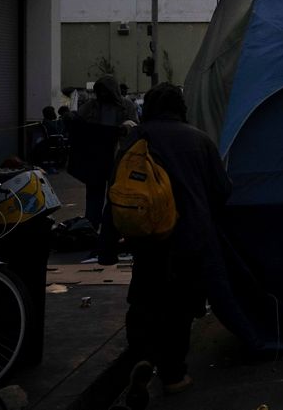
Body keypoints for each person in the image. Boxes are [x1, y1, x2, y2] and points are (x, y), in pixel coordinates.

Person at [100, 83, 231, 401]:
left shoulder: (136, 139)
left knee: (145, 300)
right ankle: (173, 375)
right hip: (190, 240)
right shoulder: (199, 140)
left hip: (148, 240)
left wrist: (106, 245)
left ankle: (143, 356)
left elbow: (117, 191)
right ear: (181, 108)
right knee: (180, 309)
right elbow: (222, 191)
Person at [70, 76, 138, 232]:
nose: (102, 95)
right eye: (99, 91)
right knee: (94, 195)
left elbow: (134, 126)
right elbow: (78, 118)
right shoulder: (92, 106)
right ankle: (91, 228)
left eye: (105, 91)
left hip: (118, 156)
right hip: (96, 157)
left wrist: (124, 130)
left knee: (115, 195)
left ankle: (112, 228)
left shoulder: (126, 106)